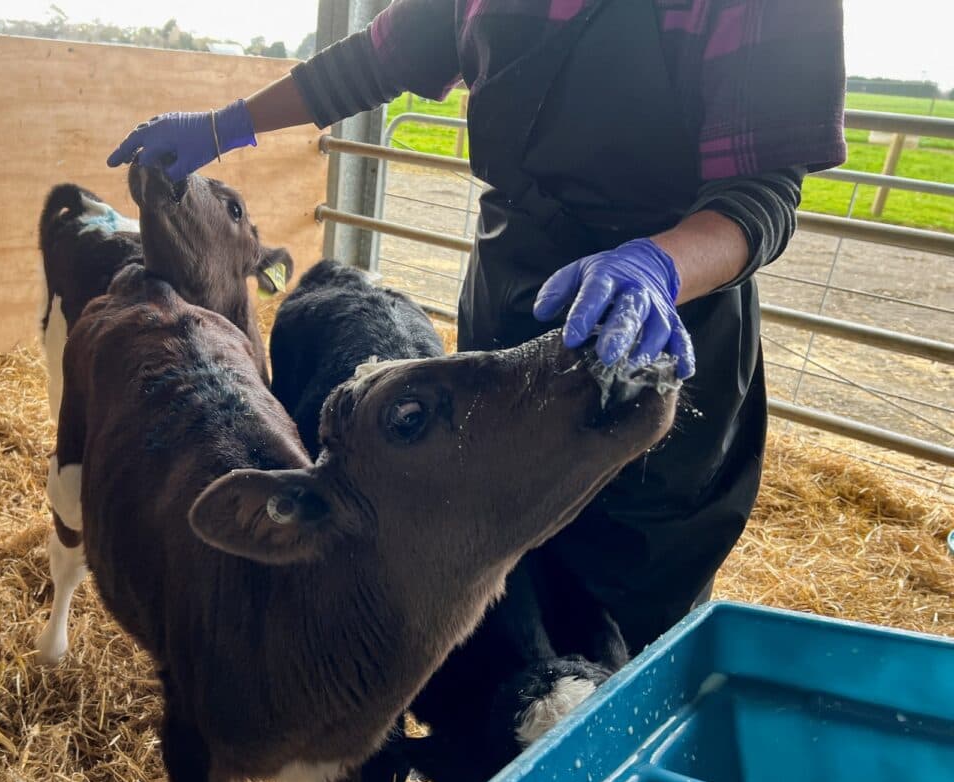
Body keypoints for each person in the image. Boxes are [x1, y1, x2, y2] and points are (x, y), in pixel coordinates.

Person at [109, 0, 845, 701]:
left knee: (628, 603)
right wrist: (226, 125)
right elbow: (377, 57)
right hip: (516, 290)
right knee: (489, 575)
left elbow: (763, 191)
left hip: (658, 318)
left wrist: (659, 266)